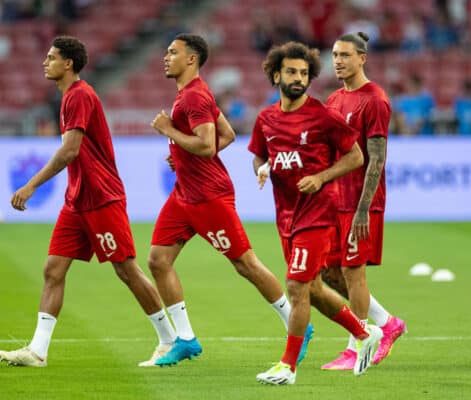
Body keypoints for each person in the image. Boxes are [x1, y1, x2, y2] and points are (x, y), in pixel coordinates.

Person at [0, 36, 174, 367]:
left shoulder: (79, 95)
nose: (44, 62)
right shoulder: (69, 97)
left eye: (51, 57)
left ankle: (168, 339)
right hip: (77, 200)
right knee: (53, 269)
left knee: (126, 269)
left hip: (101, 198)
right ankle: (38, 351)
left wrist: (30, 186)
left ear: (68, 63)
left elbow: (70, 150)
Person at [147, 33, 312, 367]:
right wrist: (181, 154)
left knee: (245, 264)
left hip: (209, 197)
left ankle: (298, 322)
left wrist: (169, 132)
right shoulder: (193, 93)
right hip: (184, 194)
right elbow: (228, 135)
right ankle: (186, 338)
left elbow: (208, 145)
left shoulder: (193, 97)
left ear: (191, 59)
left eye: (172, 52)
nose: (165, 57)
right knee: (158, 260)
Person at [249, 41, 383, 385]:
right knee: (314, 289)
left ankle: (287, 367)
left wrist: (321, 177)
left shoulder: (323, 115)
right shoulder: (265, 118)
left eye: (304, 73)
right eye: (292, 72)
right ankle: (365, 333)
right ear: (276, 74)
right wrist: (262, 168)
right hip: (286, 217)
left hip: (319, 215)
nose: (298, 78)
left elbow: (355, 157)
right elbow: (259, 157)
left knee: (295, 287)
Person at [320, 32, 406, 371]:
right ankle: (387, 323)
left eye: (345, 55)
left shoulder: (375, 100)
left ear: (362, 58)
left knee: (353, 273)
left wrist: (362, 209)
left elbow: (377, 157)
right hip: (335, 199)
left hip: (361, 202)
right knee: (329, 273)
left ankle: (357, 347)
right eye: (334, 54)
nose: (338, 60)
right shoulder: (334, 100)